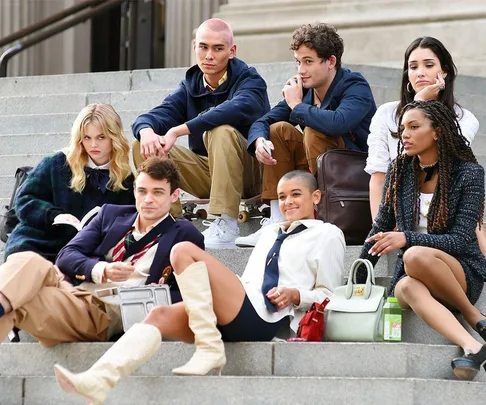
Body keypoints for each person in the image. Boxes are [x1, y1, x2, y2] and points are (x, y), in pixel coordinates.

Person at [53, 170, 345, 404]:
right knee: (158, 316)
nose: (287, 202)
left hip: (267, 315)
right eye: (281, 196)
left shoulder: (328, 235)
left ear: (316, 196)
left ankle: (209, 348)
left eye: (296, 194)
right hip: (238, 305)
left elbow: (330, 295)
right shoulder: (268, 233)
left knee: (181, 250)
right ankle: (97, 382)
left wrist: (297, 294)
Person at [0, 157, 204, 347]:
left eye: (157, 192)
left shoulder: (185, 235)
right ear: (134, 191)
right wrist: (102, 269)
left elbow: (192, 295)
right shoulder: (111, 214)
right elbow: (67, 256)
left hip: (104, 313)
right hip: (73, 291)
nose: (148, 199)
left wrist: (154, 294)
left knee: (15, 306)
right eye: (142, 191)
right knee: (26, 260)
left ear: (174, 195)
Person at [359, 101, 486, 381]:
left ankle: (472, 313)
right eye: (403, 128)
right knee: (405, 284)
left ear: (438, 131)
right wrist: (358, 270)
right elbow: (380, 226)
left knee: (415, 254)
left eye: (414, 127)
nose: (405, 134)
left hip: (459, 272)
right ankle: (473, 343)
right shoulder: (399, 171)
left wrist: (406, 238)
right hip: (412, 273)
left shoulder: (470, 174)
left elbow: (462, 241)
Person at [131, 18, 270, 248]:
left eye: (218, 48)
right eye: (203, 47)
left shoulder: (250, 80)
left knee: (220, 131)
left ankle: (226, 222)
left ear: (232, 51)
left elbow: (232, 109)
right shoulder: (190, 86)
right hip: (209, 173)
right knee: (142, 145)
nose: (209, 55)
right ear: (194, 46)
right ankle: (168, 222)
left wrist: (179, 129)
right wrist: (145, 131)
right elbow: (155, 115)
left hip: (251, 172)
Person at [237, 23, 376, 247]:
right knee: (277, 130)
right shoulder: (306, 91)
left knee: (314, 130)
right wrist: (259, 141)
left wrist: (297, 105)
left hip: (350, 178)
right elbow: (264, 120)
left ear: (331, 61)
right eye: (298, 62)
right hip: (316, 171)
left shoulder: (354, 85)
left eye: (308, 62)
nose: (301, 70)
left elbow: (338, 123)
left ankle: (318, 215)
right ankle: (277, 220)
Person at [365, 36, 479, 220]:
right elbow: (379, 177)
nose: (420, 73)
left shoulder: (464, 119)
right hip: (397, 215)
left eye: (428, 65)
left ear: (445, 71)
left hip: (442, 216)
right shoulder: (386, 114)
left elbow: (444, 160)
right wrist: (380, 228)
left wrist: (419, 104)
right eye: (413, 67)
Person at [5, 103, 136, 262]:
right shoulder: (57, 163)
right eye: (87, 137)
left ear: (114, 137)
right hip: (39, 240)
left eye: (101, 137)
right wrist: (53, 215)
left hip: (84, 250)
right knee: (23, 262)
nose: (93, 145)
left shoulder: (125, 179)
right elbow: (24, 199)